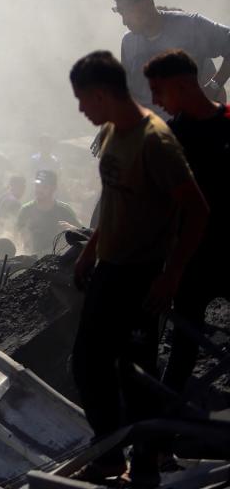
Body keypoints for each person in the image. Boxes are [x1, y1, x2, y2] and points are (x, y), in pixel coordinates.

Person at [68, 50, 208, 484]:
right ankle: (111, 451)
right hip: (110, 267)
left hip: (142, 273)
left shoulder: (156, 141)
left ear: (102, 94)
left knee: (137, 372)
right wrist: (91, 250)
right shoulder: (113, 131)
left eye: (83, 100)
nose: (80, 110)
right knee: (88, 363)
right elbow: (113, 199)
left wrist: (171, 275)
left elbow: (197, 212)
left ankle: (143, 463)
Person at [142, 50, 230, 404]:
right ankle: (160, 445)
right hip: (191, 261)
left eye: (158, 91)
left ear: (182, 86)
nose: (154, 100)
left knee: (184, 350)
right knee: (182, 351)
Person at [114, 0, 230, 111]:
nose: (124, 21)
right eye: (121, 14)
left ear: (147, 4)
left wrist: (214, 86)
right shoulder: (128, 42)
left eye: (128, 12)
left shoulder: (190, 26)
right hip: (154, 128)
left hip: (189, 125)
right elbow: (127, 90)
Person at [16, 170, 80, 255]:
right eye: (37, 185)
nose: (39, 190)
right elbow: (16, 237)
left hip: (58, 261)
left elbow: (81, 235)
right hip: (30, 260)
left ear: (53, 189)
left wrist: (72, 229)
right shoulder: (25, 210)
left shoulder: (64, 211)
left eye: (44, 187)